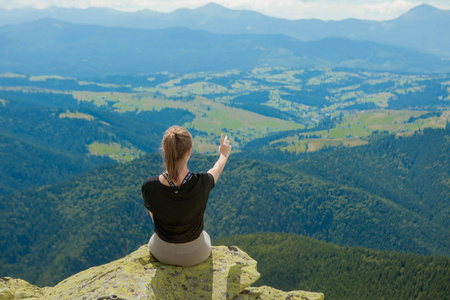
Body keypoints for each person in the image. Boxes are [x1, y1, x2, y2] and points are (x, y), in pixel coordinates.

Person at [141, 125, 231, 266]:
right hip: (195, 254)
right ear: (189, 151)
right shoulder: (202, 183)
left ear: (165, 151)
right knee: (205, 236)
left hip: (161, 252)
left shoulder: (149, 186)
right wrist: (223, 154)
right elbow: (216, 169)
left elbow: (155, 220)